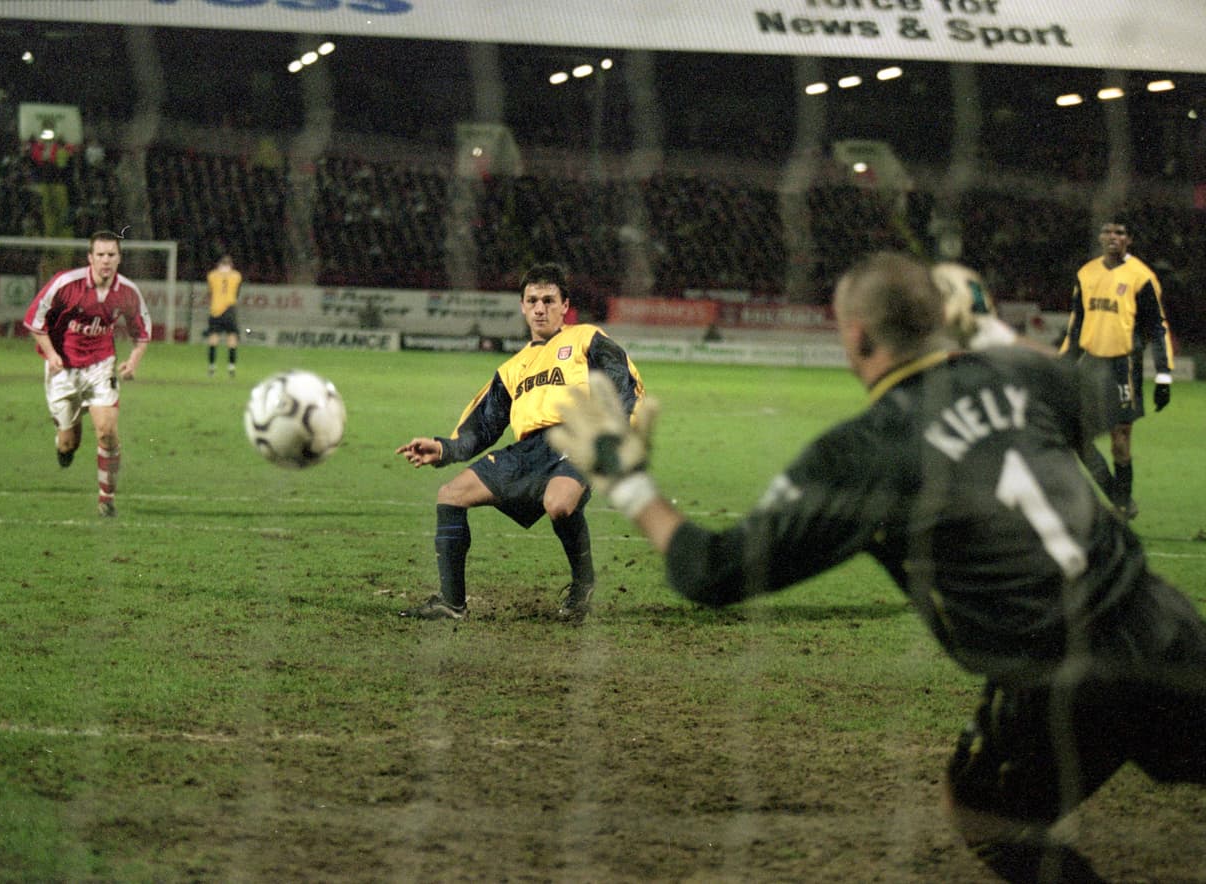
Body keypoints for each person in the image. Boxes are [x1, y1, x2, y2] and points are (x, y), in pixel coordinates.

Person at [549, 251, 1206, 883]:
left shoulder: (863, 454)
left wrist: (626, 479)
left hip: (1058, 682)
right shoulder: (1012, 371)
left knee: (984, 813)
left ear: (857, 337)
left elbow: (711, 572)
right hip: (1161, 622)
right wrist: (988, 331)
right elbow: (1097, 395)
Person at [396, 262, 645, 621]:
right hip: (527, 452)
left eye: (548, 300)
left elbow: (625, 383)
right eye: (532, 301)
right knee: (450, 495)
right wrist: (444, 448)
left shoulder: (586, 339)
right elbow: (483, 424)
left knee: (559, 503)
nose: (540, 308)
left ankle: (583, 583)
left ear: (564, 305)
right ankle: (451, 603)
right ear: (523, 307)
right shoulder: (514, 367)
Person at [23, 230, 152, 518]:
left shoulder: (127, 292)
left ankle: (106, 499)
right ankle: (64, 444)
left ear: (119, 258)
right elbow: (34, 321)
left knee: (107, 433)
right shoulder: (66, 283)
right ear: (90, 257)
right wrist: (52, 353)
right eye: (101, 255)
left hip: (101, 366)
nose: (106, 260)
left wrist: (133, 360)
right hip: (63, 369)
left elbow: (141, 331)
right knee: (70, 442)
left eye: (111, 255)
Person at [1058, 215, 1174, 521]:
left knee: (1120, 440)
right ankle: (1116, 495)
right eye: (1107, 231)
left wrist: (1163, 375)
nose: (1112, 237)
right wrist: (1062, 364)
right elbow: (1076, 324)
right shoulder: (1086, 274)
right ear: (1099, 238)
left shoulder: (1141, 277)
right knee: (1075, 436)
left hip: (1124, 366)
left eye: (1119, 232)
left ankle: (1121, 506)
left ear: (1129, 239)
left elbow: (1158, 328)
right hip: (1091, 365)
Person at [205, 254, 242, 377]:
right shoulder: (236, 276)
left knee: (213, 339)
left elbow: (210, 292)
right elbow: (236, 292)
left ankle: (212, 368)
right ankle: (231, 368)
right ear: (231, 265)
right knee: (232, 338)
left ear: (219, 265)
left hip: (215, 310)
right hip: (229, 310)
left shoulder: (212, 275)